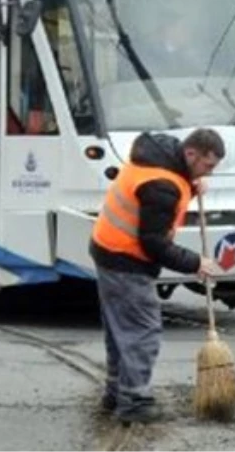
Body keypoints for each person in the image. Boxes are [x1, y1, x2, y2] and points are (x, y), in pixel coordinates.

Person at [89, 128, 223, 424]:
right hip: (126, 259)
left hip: (107, 248)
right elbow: (154, 242)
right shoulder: (162, 185)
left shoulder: (160, 158)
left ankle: (116, 393)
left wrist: (191, 182)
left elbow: (167, 190)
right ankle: (135, 401)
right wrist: (195, 263)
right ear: (190, 154)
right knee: (141, 330)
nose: (209, 173)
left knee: (119, 328)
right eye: (207, 166)